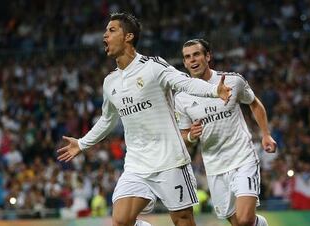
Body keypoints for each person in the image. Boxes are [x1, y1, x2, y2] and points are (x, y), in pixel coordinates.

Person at [56, 13, 232, 226]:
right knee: (121, 221)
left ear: (128, 36)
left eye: (111, 30)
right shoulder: (110, 82)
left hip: (170, 161)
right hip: (137, 165)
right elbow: (107, 119)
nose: (105, 35)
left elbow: (184, 83)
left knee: (183, 221)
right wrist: (82, 143)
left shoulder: (153, 67)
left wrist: (215, 90)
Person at [175, 39, 276, 226]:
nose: (192, 60)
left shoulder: (233, 81)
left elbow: (254, 103)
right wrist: (191, 136)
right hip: (214, 166)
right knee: (238, 223)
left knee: (245, 220)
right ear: (184, 63)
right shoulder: (181, 97)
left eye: (196, 54)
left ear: (207, 56)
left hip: (242, 157)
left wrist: (266, 134)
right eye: (187, 57)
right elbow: (183, 134)